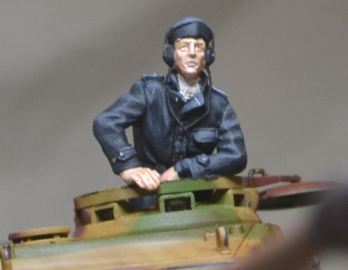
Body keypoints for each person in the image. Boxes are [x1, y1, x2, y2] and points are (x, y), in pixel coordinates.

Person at [92, 17, 247, 190]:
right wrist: (129, 166)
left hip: (198, 196)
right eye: (183, 47)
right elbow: (106, 122)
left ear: (207, 56)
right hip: (150, 195)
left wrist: (185, 167)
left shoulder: (218, 104)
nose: (192, 53)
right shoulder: (149, 92)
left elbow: (236, 155)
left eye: (199, 47)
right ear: (171, 54)